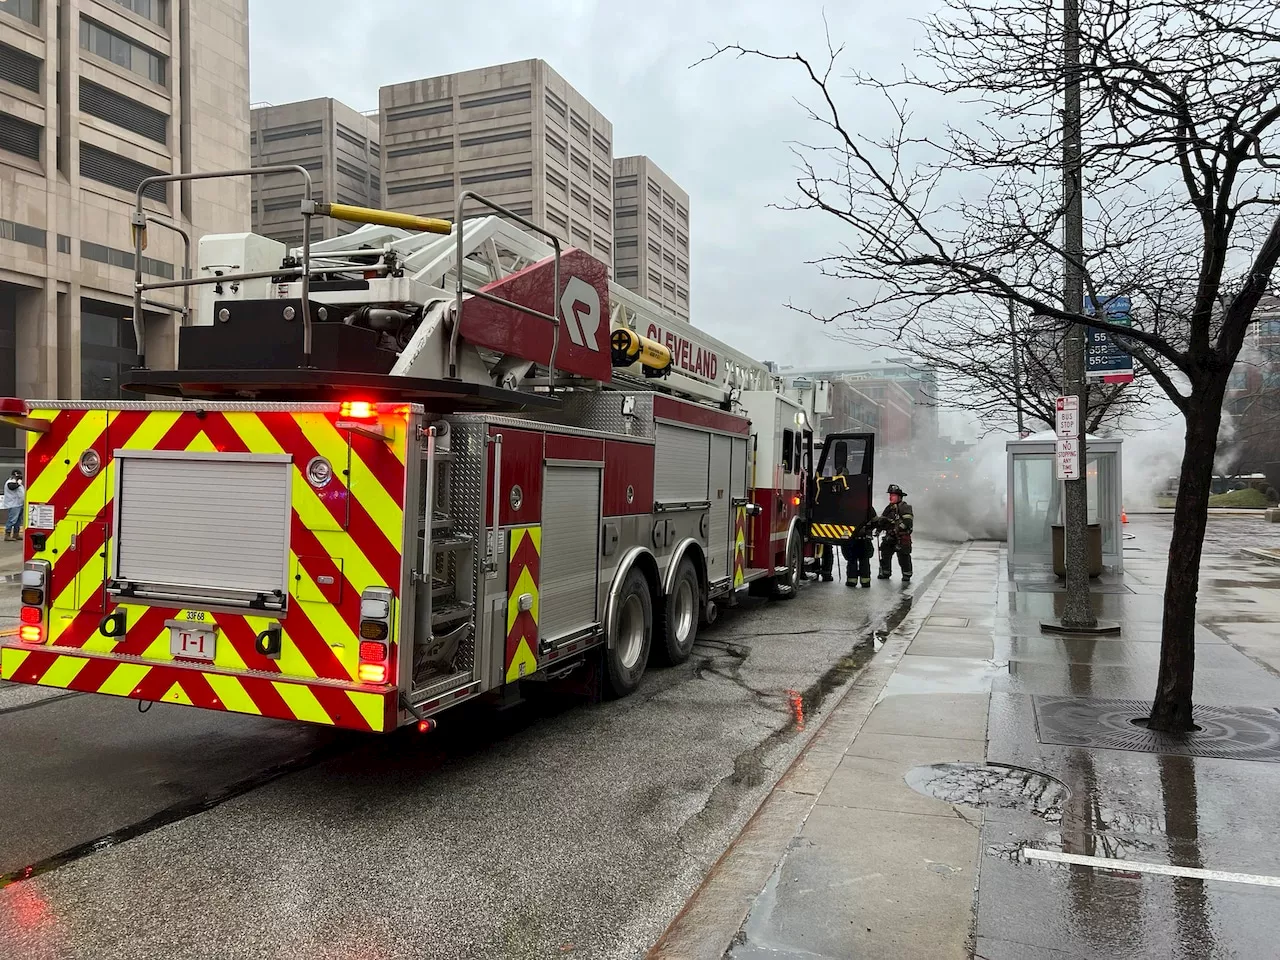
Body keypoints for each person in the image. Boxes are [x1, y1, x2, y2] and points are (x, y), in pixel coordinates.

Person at [818, 501, 878, 587]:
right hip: (864, 539)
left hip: (850, 539)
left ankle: (851, 581)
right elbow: (876, 521)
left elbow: (839, 520)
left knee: (852, 560)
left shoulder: (846, 506)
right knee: (864, 560)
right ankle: (865, 582)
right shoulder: (868, 507)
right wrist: (869, 530)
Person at [877, 483, 913, 582]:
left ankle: (906, 574)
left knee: (903, 556)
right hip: (890, 536)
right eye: (890, 495)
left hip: (901, 537)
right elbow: (882, 520)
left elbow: (907, 522)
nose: (890, 497)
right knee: (885, 552)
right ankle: (885, 572)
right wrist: (878, 530)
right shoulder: (889, 508)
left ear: (899, 497)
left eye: (893, 495)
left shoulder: (905, 507)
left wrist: (896, 530)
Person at [3, 469, 24, 542]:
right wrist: (18, 483)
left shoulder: (18, 483)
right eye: (18, 476)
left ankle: (16, 534)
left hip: (19, 504)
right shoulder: (10, 482)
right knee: (12, 520)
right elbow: (12, 487)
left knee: (18, 520)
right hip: (13, 504)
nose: (20, 478)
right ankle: (7, 534)